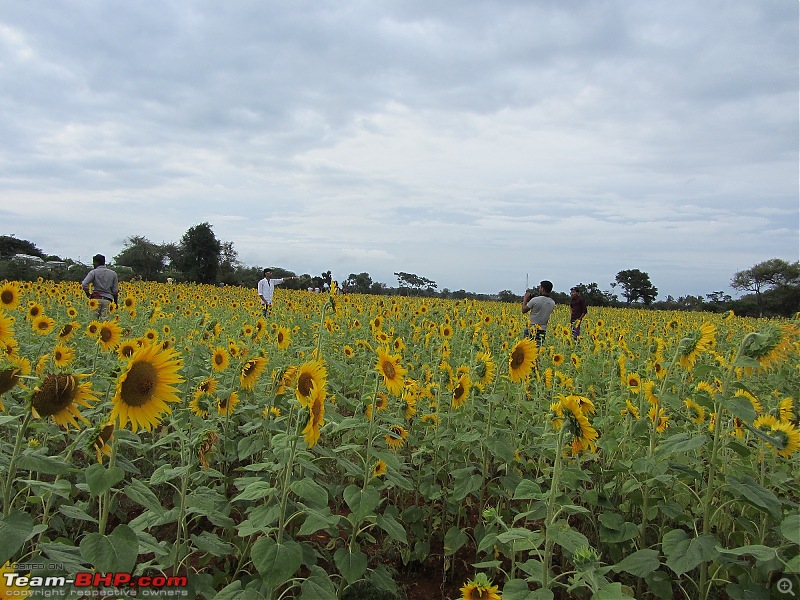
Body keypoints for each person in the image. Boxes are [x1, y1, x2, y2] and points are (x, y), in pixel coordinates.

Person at [81, 254, 119, 320]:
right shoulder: (113, 273)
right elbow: (115, 291)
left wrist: (88, 295)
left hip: (95, 300)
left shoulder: (93, 272)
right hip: (107, 300)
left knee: (93, 321)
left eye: (94, 263)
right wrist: (115, 303)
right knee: (104, 323)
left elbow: (84, 284)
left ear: (96, 262)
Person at [521, 280, 556, 346]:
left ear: (542, 289)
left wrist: (525, 299)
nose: (539, 289)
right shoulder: (552, 303)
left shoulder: (535, 300)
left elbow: (524, 310)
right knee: (538, 349)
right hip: (542, 330)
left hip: (531, 328)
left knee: (527, 349)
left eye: (540, 288)